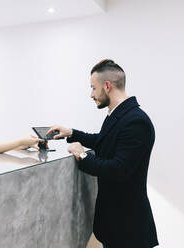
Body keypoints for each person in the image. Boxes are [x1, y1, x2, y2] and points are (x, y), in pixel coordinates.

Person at [47, 59, 158, 248]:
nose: (91, 94)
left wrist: (82, 156)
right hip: (116, 223)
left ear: (107, 86)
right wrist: (72, 133)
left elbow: (118, 169)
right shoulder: (119, 114)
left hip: (129, 228)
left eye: (93, 88)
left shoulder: (136, 122)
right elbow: (105, 140)